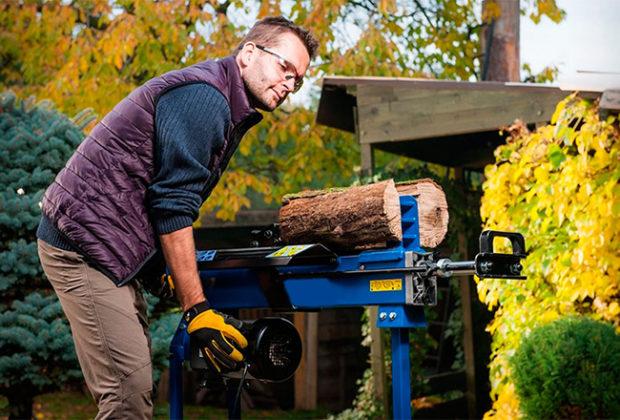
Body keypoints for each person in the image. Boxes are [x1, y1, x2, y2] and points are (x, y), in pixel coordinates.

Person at [36, 16, 318, 418]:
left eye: (299, 80)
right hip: (82, 246)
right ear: (249, 54)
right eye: (285, 69)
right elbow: (173, 202)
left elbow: (149, 187)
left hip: (107, 245)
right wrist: (196, 309)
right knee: (127, 397)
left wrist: (158, 271)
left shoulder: (222, 97)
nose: (290, 85)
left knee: (133, 387)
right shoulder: (207, 98)